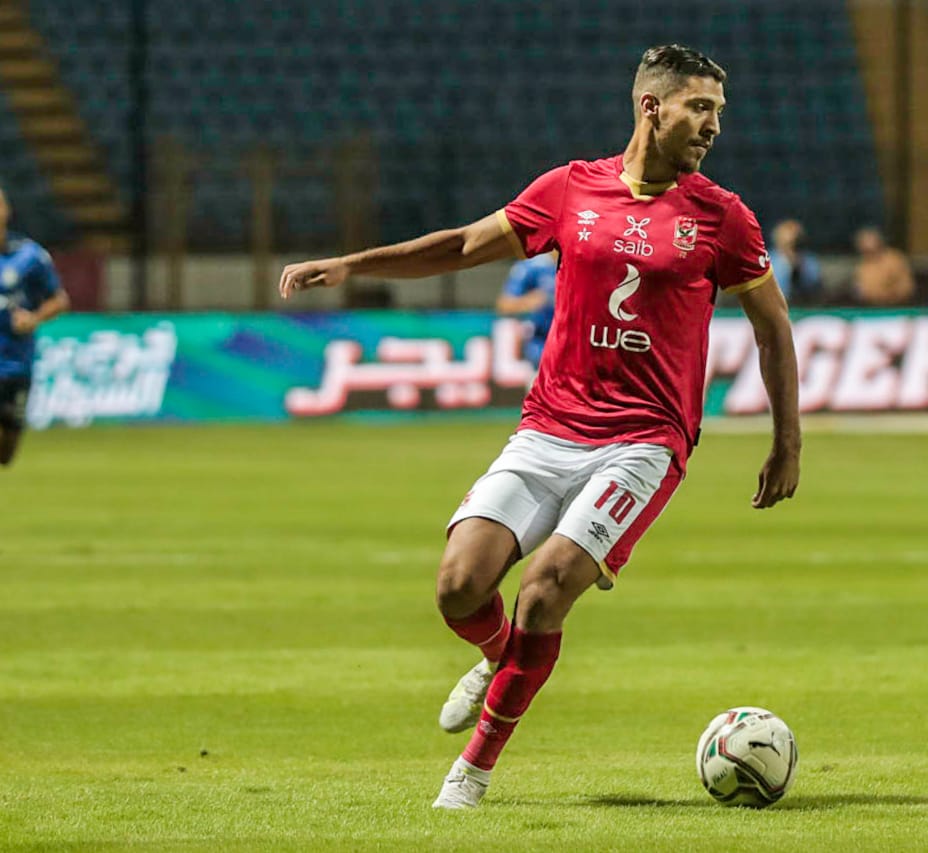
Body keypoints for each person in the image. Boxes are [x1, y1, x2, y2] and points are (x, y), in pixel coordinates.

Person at [278, 44, 801, 808]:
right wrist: (355, 264)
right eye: (700, 107)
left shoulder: (722, 217)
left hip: (643, 442)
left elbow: (772, 326)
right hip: (549, 427)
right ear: (651, 107)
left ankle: (472, 771)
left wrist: (787, 441)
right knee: (458, 586)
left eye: (718, 111)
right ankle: (501, 656)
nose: (713, 125)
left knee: (545, 588)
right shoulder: (570, 189)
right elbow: (465, 245)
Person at [0, 184, 69, 468]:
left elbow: (60, 300)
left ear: (6, 211)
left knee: (6, 453)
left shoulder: (29, 256)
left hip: (16, 364)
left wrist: (34, 318)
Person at [495, 251, 557, 369]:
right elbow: (504, 305)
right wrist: (530, 301)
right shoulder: (532, 266)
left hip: (575, 346)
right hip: (540, 346)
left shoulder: (582, 262)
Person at [852, 226, 914, 305]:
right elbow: (858, 290)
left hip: (896, 307)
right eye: (865, 251)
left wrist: (889, 296)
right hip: (871, 307)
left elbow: (906, 287)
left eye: (872, 250)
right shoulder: (861, 266)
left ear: (880, 244)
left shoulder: (895, 260)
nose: (869, 254)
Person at [768, 219, 822, 306]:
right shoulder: (767, 262)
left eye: (797, 245)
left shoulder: (810, 263)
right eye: (788, 245)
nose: (792, 249)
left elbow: (815, 289)